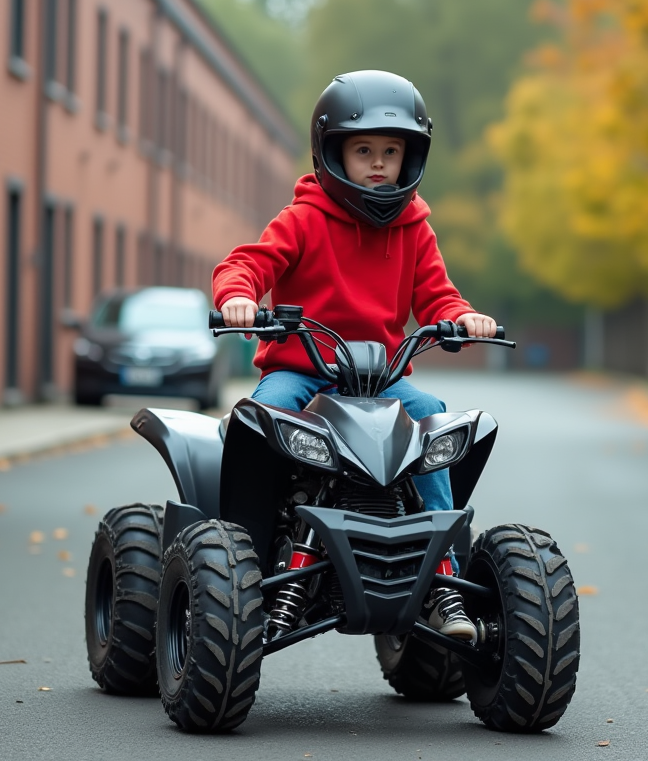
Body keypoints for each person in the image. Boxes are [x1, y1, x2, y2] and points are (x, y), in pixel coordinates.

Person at [213, 69, 496, 640]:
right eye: (362, 149)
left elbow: (437, 295)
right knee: (260, 420)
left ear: (409, 158)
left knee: (435, 420)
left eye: (390, 152)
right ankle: (241, 560)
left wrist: (462, 316)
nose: (377, 163)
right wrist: (239, 297)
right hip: (301, 372)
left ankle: (443, 581)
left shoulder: (415, 229)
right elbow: (247, 264)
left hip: (382, 380)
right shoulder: (304, 218)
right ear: (331, 153)